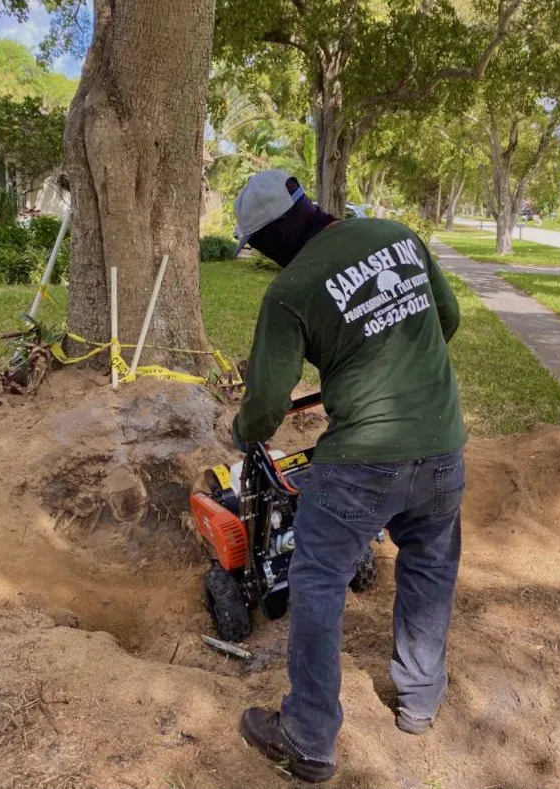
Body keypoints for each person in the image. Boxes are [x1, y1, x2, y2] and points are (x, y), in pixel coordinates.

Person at [232, 169, 467, 783]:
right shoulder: (396, 234)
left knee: (316, 579)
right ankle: (418, 702)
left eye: (257, 247)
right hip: (442, 445)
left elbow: (264, 404)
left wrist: (243, 434)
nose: (260, 258)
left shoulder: (289, 290)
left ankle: (308, 736)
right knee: (429, 565)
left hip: (361, 463)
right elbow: (446, 319)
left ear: (273, 236)